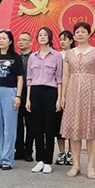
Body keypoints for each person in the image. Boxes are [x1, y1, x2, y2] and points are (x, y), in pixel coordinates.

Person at [60, 21, 95, 180]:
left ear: (89, 34)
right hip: (73, 93)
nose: (80, 34)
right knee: (74, 130)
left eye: (83, 31)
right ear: (74, 36)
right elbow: (66, 75)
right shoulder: (69, 53)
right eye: (77, 32)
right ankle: (76, 165)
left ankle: (91, 166)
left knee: (91, 130)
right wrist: (63, 95)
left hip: (91, 92)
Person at [26, 27, 63, 174]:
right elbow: (29, 79)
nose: (42, 37)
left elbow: (59, 79)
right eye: (40, 35)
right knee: (37, 128)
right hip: (35, 92)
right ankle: (40, 160)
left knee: (49, 128)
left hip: (50, 92)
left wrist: (59, 98)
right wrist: (28, 99)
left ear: (50, 37)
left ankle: (48, 161)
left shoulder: (57, 56)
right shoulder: (32, 57)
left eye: (45, 35)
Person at [0, 30, 24, 170]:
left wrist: (18, 96)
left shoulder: (15, 57)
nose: (1, 40)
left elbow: (20, 78)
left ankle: (7, 159)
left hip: (10, 91)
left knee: (10, 127)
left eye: (4, 38)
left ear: (10, 41)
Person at [55, 30, 75, 167]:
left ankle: (72, 152)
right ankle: (61, 152)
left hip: (72, 91)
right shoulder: (57, 55)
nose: (62, 42)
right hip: (58, 92)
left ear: (71, 41)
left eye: (65, 39)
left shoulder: (75, 54)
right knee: (58, 123)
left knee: (71, 124)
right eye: (60, 39)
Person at [14, 32, 34, 162]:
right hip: (16, 93)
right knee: (17, 124)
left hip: (30, 93)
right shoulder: (15, 57)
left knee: (30, 124)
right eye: (19, 40)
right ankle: (19, 150)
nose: (21, 42)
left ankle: (28, 151)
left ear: (30, 42)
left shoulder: (35, 57)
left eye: (24, 40)